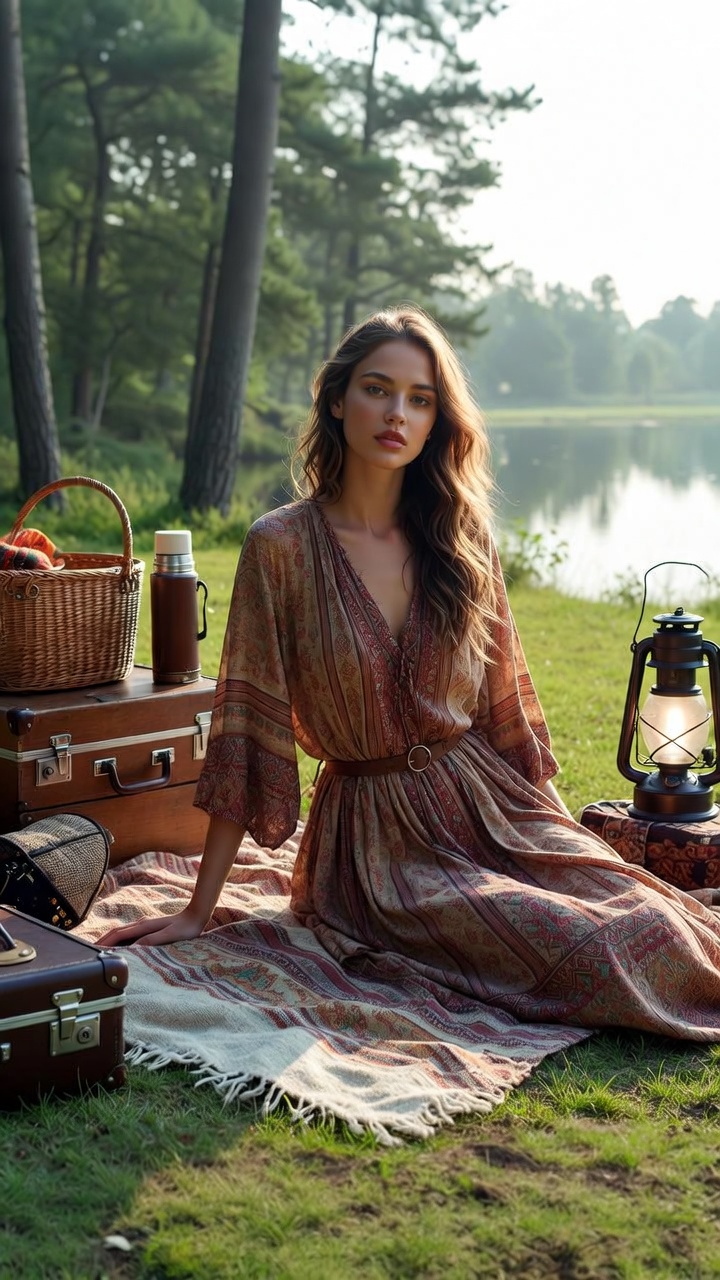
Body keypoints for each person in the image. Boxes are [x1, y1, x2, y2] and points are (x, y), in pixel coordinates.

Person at [100, 305, 720, 1038]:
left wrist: (562, 840)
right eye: (377, 388)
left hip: (489, 804)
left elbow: (504, 711)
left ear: (437, 420)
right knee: (599, 942)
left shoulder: (461, 538)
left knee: (649, 910)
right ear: (337, 400)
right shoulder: (281, 548)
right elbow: (247, 729)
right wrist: (198, 911)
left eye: (420, 398)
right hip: (375, 847)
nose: (398, 412)